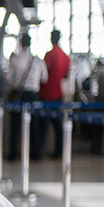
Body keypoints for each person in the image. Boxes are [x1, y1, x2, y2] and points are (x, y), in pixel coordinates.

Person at [7, 33, 48, 160]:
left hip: (19, 95)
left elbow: (9, 79)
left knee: (15, 126)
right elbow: (44, 78)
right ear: (30, 43)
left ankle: (13, 154)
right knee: (34, 125)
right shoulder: (38, 60)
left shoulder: (15, 60)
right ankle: (36, 154)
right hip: (33, 95)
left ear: (20, 43)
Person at [36, 30, 71, 160]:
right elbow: (66, 76)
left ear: (52, 38)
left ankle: (38, 152)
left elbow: (43, 75)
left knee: (42, 125)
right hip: (58, 94)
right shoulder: (65, 57)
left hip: (46, 94)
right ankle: (59, 151)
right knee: (58, 125)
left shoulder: (49, 55)